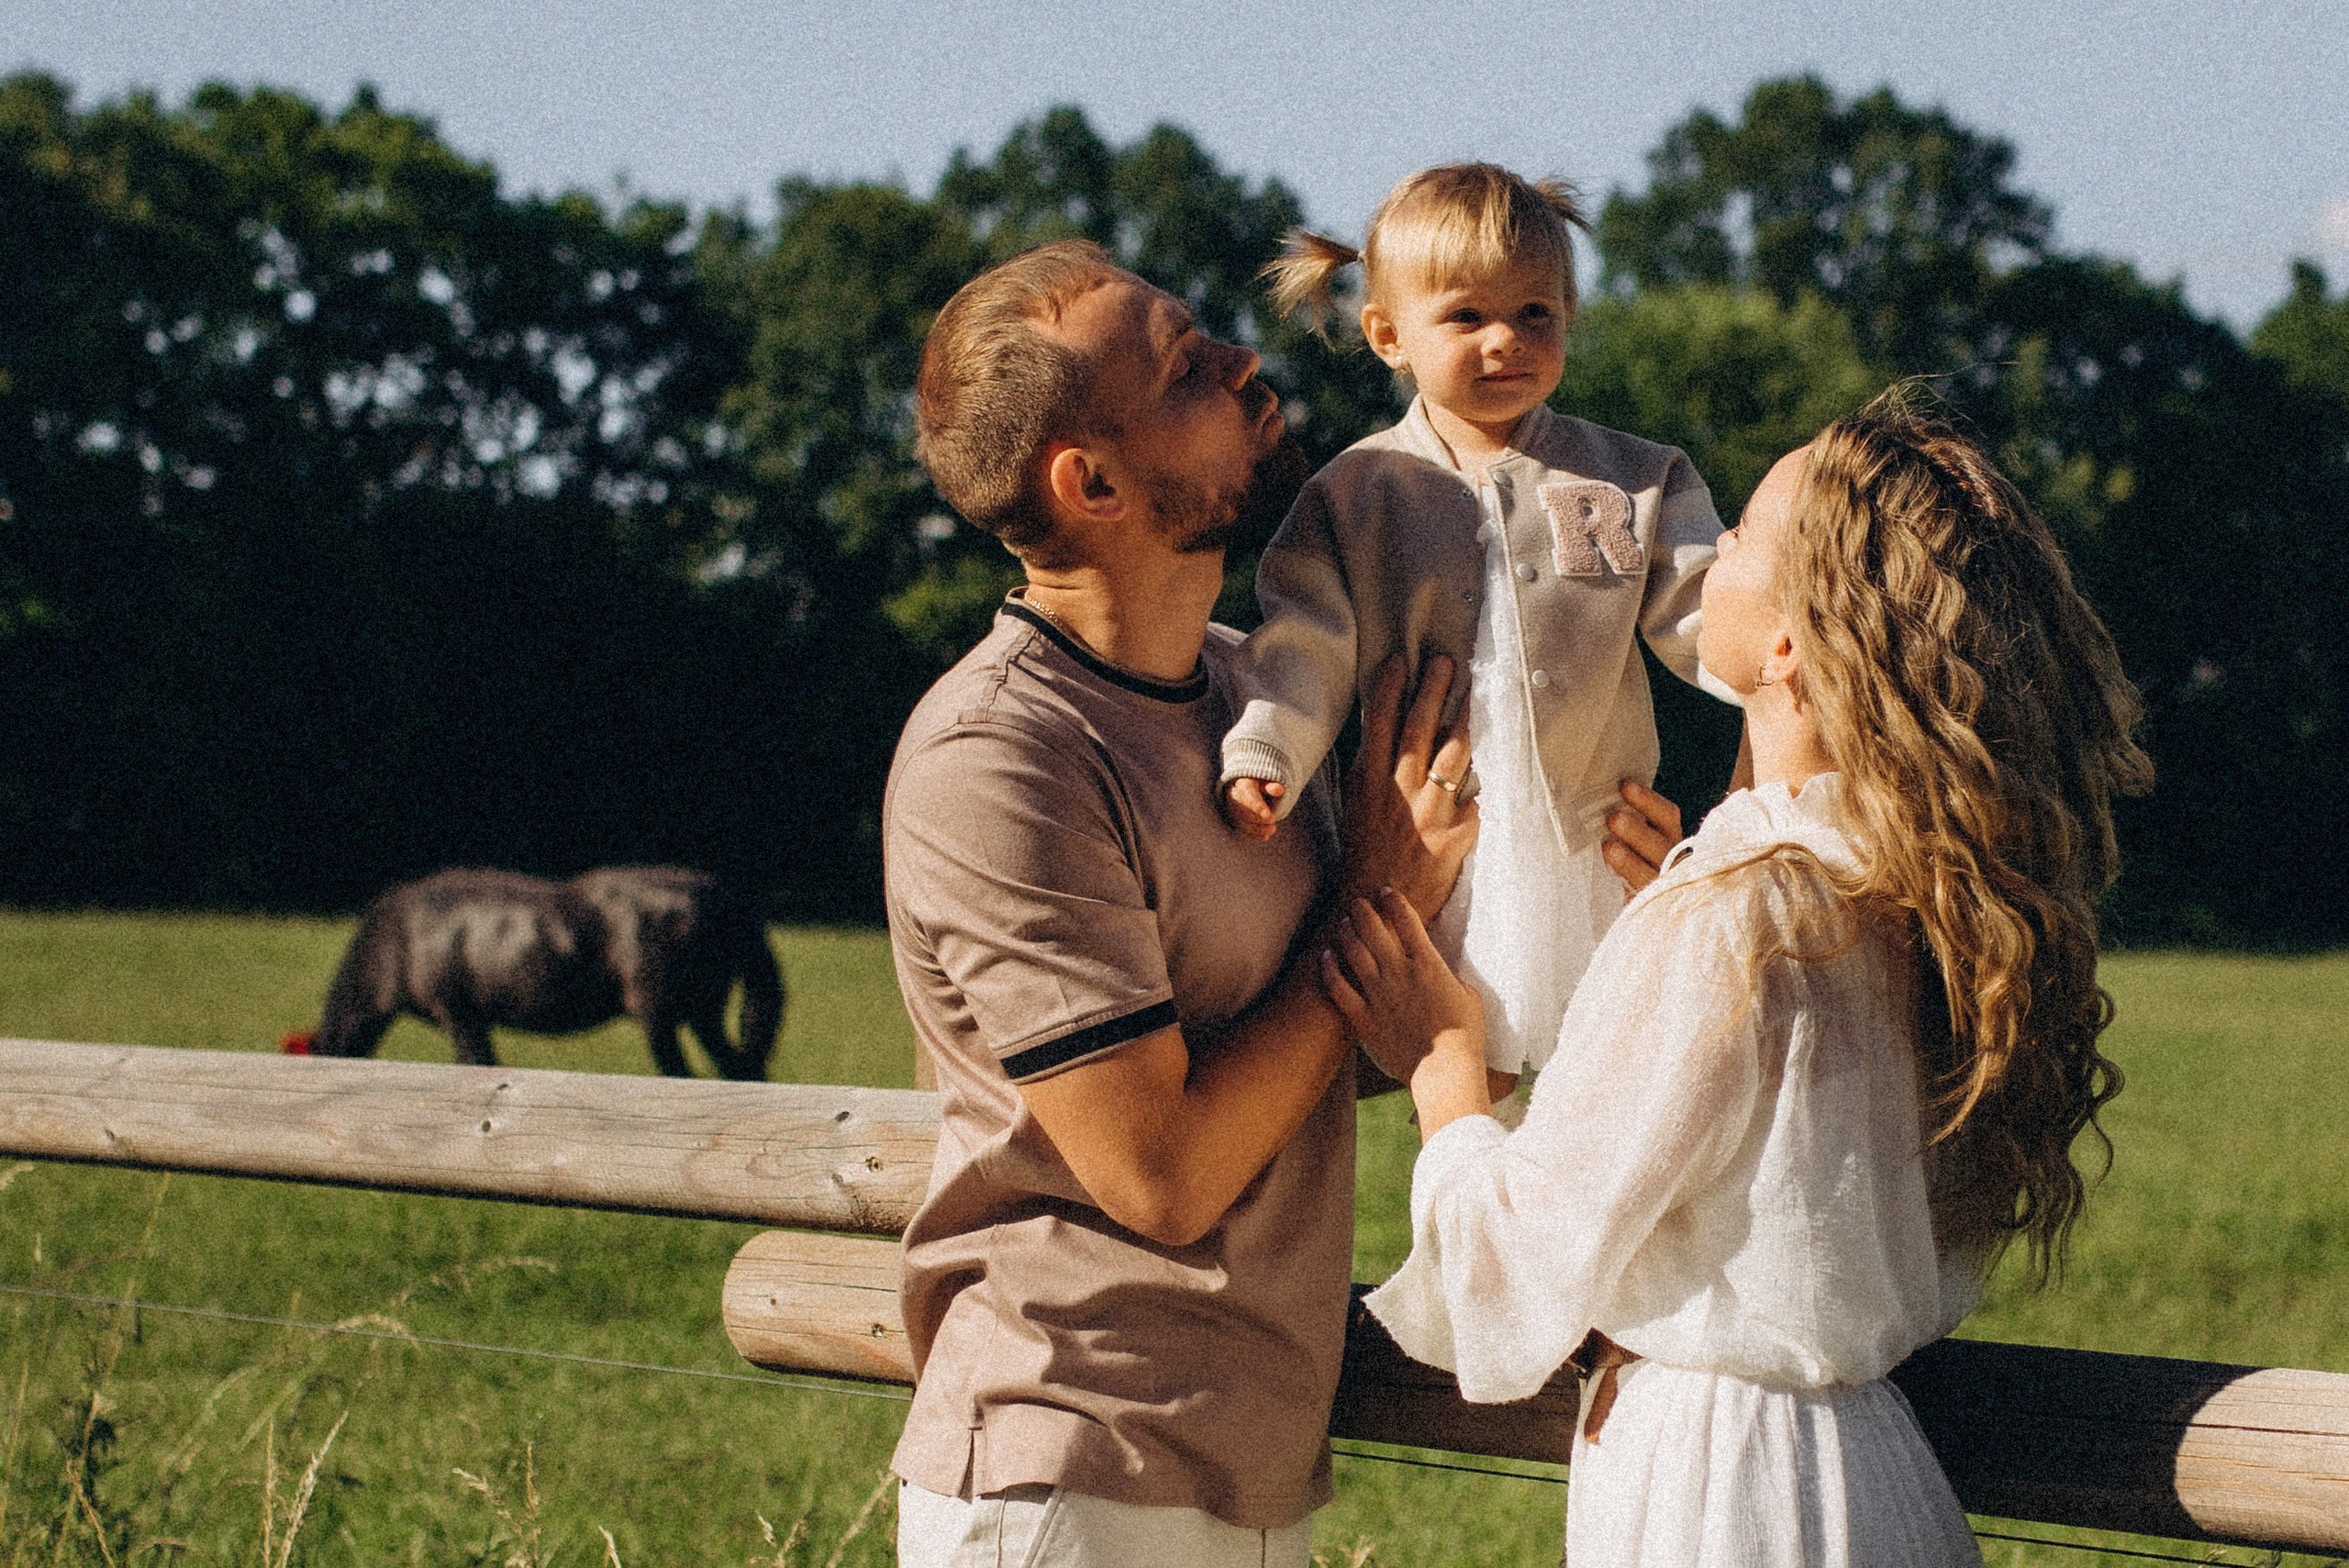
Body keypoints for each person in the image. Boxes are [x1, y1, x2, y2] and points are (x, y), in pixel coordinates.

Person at [1324, 394, 2154, 1567]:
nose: (1712, 554)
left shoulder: (1736, 913)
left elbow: (1507, 1279)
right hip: (1878, 1474)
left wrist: (1445, 1070)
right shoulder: (1912, 896)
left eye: (1748, 538)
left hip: (1720, 1495)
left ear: (1786, 648)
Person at [881, 237, 1486, 1568]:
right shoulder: (1002, 758)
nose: (1245, 362)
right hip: (1069, 1474)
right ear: (1090, 482)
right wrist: (1379, 893)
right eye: (1186, 368)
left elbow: (1340, 1029)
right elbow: (1161, 1173)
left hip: (1254, 1470)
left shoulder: (1258, 702)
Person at [1219, 162, 1735, 1088]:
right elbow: (1305, 647)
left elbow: (1705, 609)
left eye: (1534, 312)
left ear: (1570, 312)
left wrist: (1795, 663)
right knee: (1457, 1076)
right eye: (1465, 317)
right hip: (1443, 855)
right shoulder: (1354, 495)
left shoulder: (1634, 477)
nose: (1506, 340)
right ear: (1387, 335)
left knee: (1622, 1086)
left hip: (1596, 845)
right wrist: (1267, 749)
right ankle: (1466, 1223)